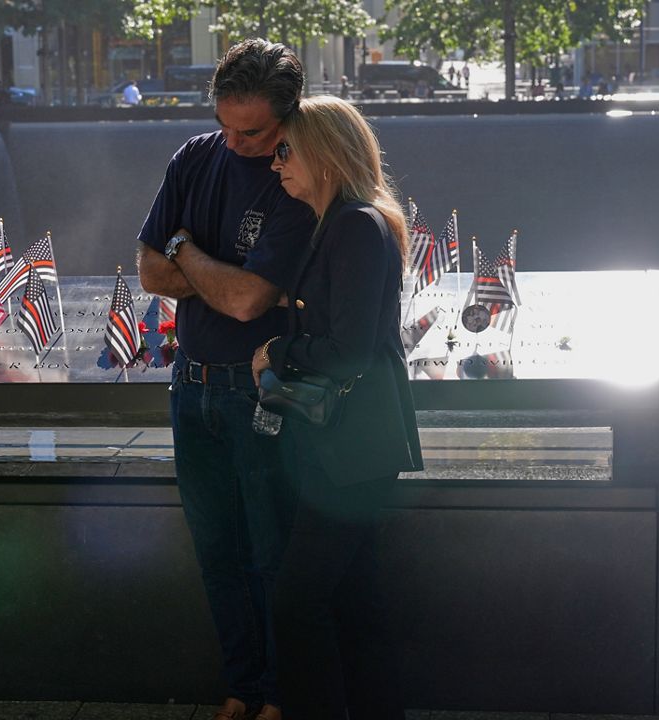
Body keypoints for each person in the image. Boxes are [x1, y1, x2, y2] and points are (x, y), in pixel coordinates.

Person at [136, 39, 315, 720]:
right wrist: (218, 274)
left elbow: (245, 301)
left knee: (272, 551)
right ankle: (243, 687)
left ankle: (282, 695)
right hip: (191, 386)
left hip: (260, 390)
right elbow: (150, 273)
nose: (235, 144)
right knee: (217, 554)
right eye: (225, 126)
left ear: (288, 118)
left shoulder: (300, 176)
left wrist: (184, 246)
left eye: (253, 133)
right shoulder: (194, 156)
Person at [254, 95, 424, 718]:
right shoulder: (342, 223)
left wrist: (277, 351)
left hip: (351, 449)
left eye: (285, 150)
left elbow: (349, 350)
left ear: (323, 155)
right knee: (355, 600)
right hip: (348, 444)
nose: (276, 164)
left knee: (297, 603)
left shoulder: (355, 226)